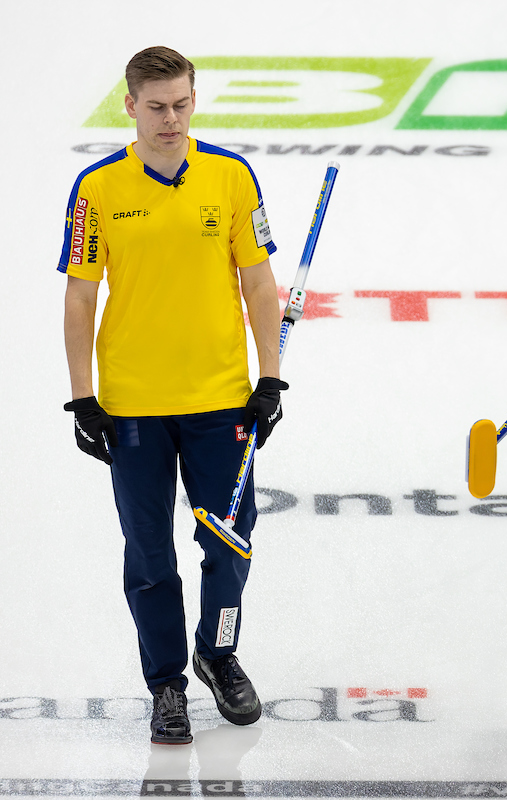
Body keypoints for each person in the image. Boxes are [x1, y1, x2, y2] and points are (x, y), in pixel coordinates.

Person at [60, 46, 288, 745]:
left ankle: (218, 655)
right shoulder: (96, 189)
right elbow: (79, 297)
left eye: (181, 104)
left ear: (195, 99)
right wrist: (83, 399)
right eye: (156, 106)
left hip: (220, 402)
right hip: (131, 409)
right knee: (149, 553)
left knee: (230, 546)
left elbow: (257, 285)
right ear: (129, 105)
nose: (170, 118)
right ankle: (166, 685)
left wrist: (270, 377)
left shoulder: (230, 177)